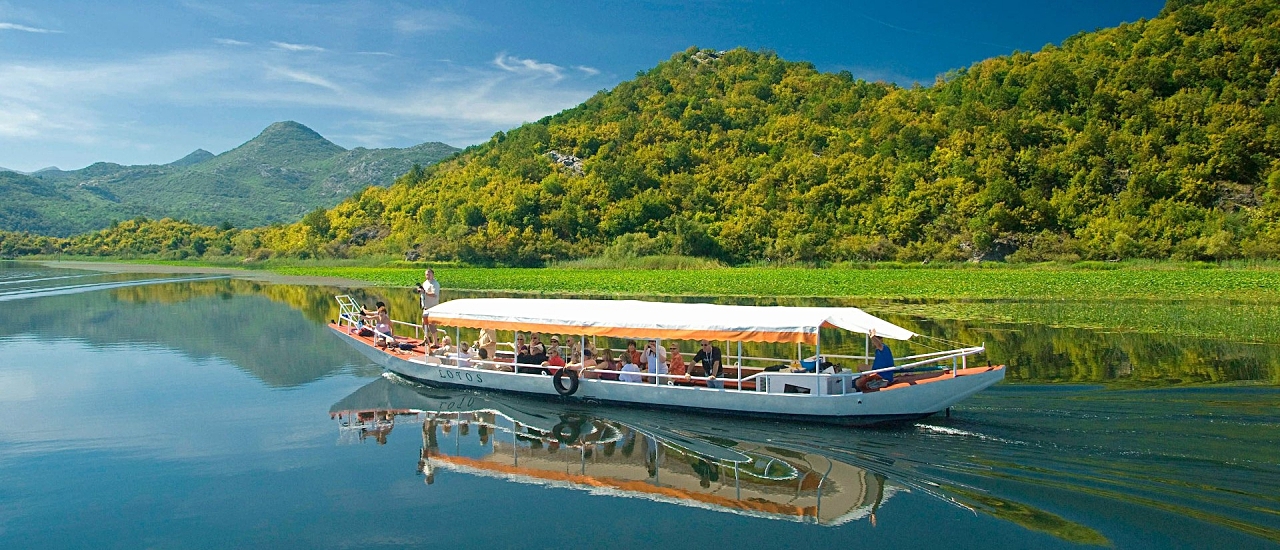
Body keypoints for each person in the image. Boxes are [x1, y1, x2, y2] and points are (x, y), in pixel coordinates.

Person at [415, 268, 441, 345]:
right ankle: (426, 339)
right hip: (425, 307)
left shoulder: (435, 284)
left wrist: (425, 292)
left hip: (433, 307)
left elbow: (434, 294)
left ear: (433, 274)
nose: (427, 275)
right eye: (426, 274)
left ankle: (435, 342)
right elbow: (423, 293)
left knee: (431, 325)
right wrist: (419, 290)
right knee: (423, 324)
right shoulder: (425, 283)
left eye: (429, 274)